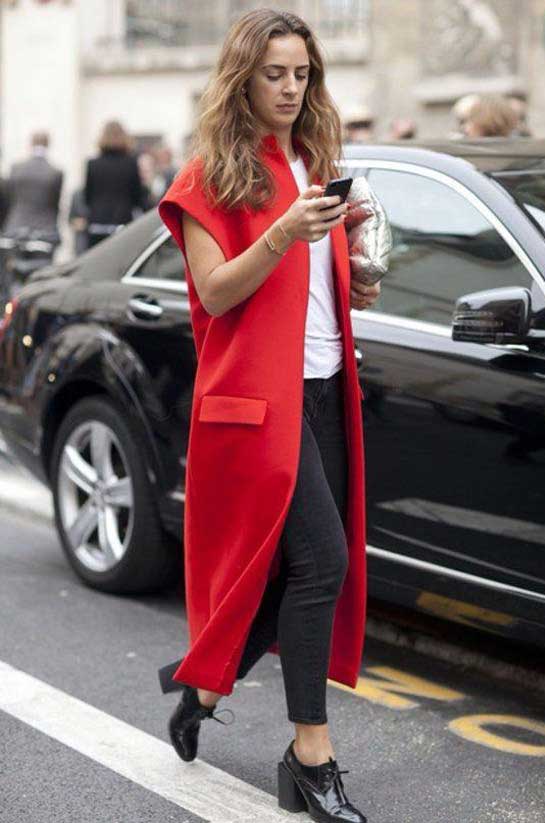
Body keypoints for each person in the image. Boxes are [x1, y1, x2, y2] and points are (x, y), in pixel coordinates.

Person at [158, 9, 381, 823]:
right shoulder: (205, 179)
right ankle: (310, 760)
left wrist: (355, 275)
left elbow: (315, 294)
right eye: (273, 74)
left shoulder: (315, 161)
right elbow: (216, 294)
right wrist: (287, 231)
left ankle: (201, 687)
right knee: (322, 562)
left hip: (323, 389)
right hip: (258, 406)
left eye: (302, 75)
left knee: (289, 575)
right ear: (241, 78)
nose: (290, 89)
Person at [83, 120, 148, 248]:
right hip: (122, 224)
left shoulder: (92, 164)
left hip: (97, 224)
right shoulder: (131, 164)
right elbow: (137, 197)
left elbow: (87, 197)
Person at [2, 130, 63, 250]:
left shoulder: (16, 168)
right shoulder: (55, 172)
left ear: (31, 144)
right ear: (48, 144)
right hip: (45, 229)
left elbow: (10, 198)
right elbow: (55, 203)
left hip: (16, 226)